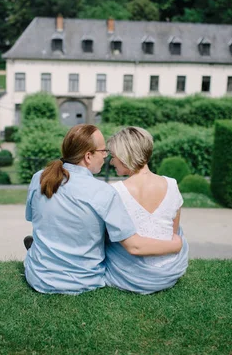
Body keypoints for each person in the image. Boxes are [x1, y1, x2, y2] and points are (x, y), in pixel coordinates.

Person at [24, 124, 183, 295]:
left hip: (39, 277)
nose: (106, 157)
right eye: (103, 151)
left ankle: (44, 254)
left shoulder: (38, 178)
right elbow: (134, 246)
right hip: (84, 280)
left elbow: (32, 217)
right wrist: (177, 244)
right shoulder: (103, 191)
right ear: (88, 156)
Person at [104, 126, 189, 294]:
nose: (112, 162)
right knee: (177, 230)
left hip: (132, 276)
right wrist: (176, 245)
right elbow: (173, 234)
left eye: (113, 157)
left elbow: (131, 246)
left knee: (108, 236)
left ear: (124, 155)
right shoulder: (172, 184)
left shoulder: (116, 191)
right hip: (168, 272)